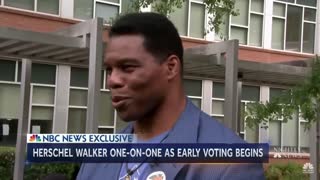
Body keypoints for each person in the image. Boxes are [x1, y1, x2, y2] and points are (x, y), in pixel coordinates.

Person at [77, 12, 265, 180]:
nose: (112, 80)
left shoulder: (232, 165)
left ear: (171, 67)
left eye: (127, 67)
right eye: (109, 69)